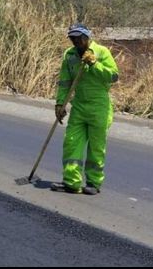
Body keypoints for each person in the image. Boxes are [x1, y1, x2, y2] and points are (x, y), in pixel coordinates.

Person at [51, 23, 119, 196]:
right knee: (71, 142)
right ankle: (71, 182)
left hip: (99, 107)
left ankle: (94, 182)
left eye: (79, 38)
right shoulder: (70, 55)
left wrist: (94, 63)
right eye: (72, 38)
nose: (76, 42)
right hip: (79, 106)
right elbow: (65, 81)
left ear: (87, 37)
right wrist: (60, 104)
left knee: (96, 147)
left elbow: (113, 76)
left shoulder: (102, 52)